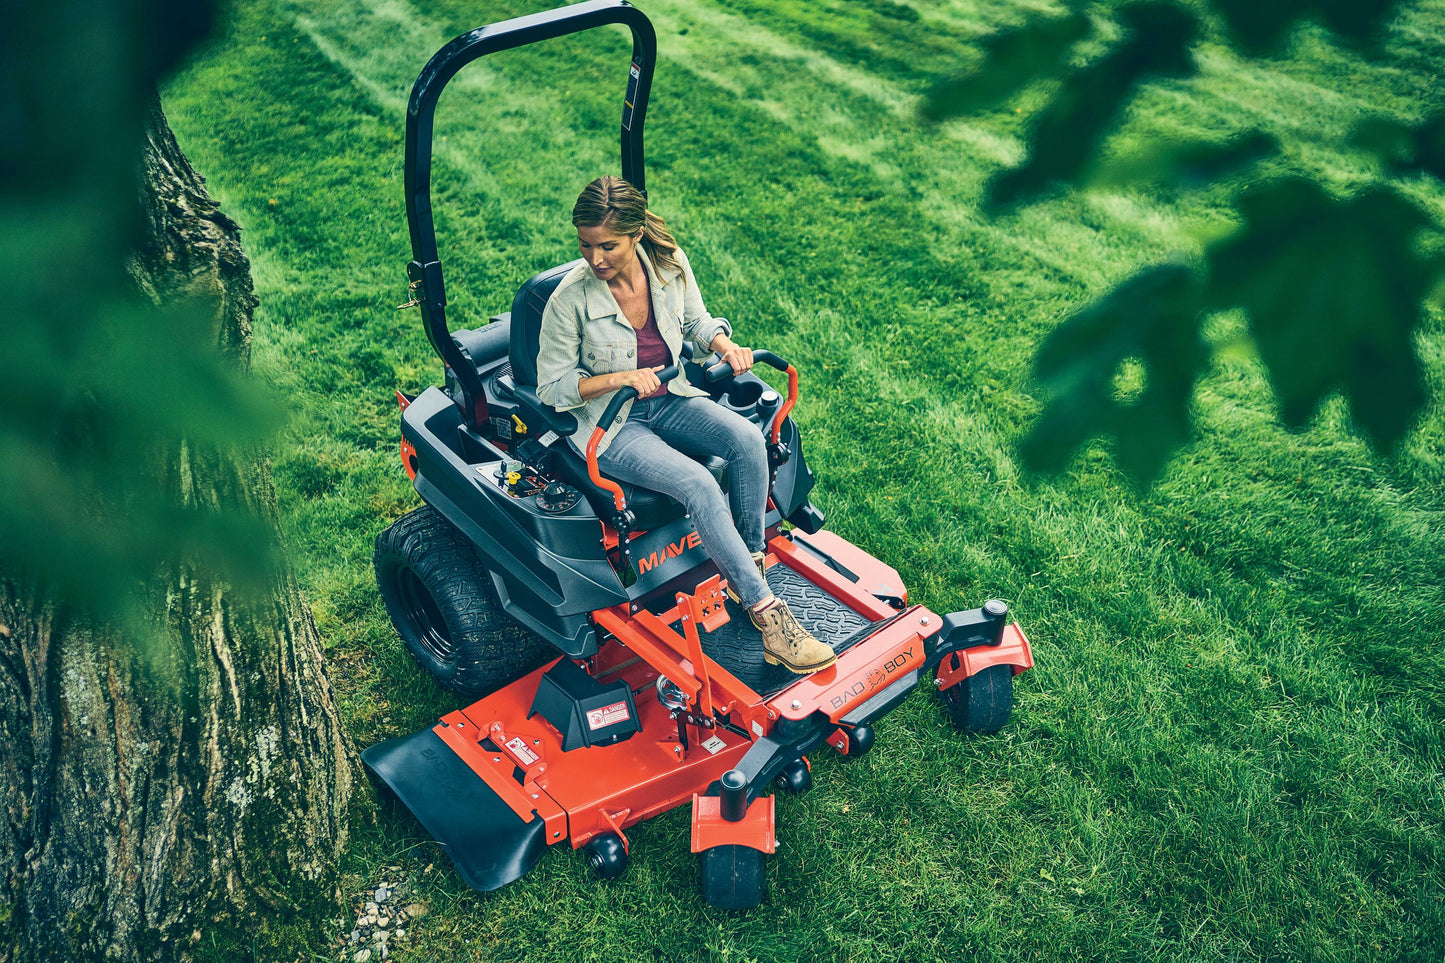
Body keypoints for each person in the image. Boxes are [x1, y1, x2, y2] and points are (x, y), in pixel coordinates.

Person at [536, 176, 836, 674]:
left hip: (670, 396)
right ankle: (769, 618)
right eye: (585, 245)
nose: (594, 258)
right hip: (610, 424)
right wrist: (618, 378)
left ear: (635, 236)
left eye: (607, 245)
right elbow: (553, 387)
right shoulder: (570, 300)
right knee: (697, 483)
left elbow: (696, 324)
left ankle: (749, 566)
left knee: (746, 439)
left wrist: (723, 345)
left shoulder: (669, 265)